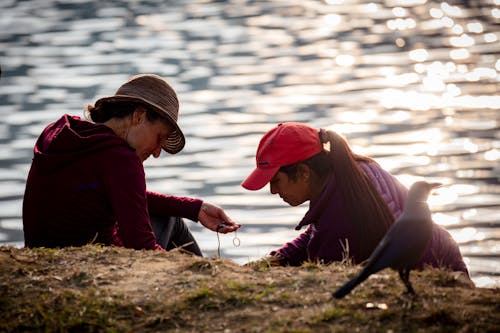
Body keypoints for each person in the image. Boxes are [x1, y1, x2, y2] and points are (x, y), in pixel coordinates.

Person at [23, 73, 240, 254]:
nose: (157, 153)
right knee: (172, 221)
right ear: (139, 116)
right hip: (97, 264)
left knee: (174, 213)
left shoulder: (60, 133)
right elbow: (142, 246)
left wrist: (194, 208)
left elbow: (118, 193)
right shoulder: (120, 158)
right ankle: (199, 288)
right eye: (160, 138)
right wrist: (189, 270)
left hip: (42, 253)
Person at [241, 122, 468, 275]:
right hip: (446, 254)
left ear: (303, 173)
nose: (272, 190)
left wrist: (264, 272)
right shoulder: (350, 172)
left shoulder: (341, 219)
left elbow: (320, 277)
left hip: (436, 272)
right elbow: (315, 233)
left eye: (275, 180)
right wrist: (276, 259)